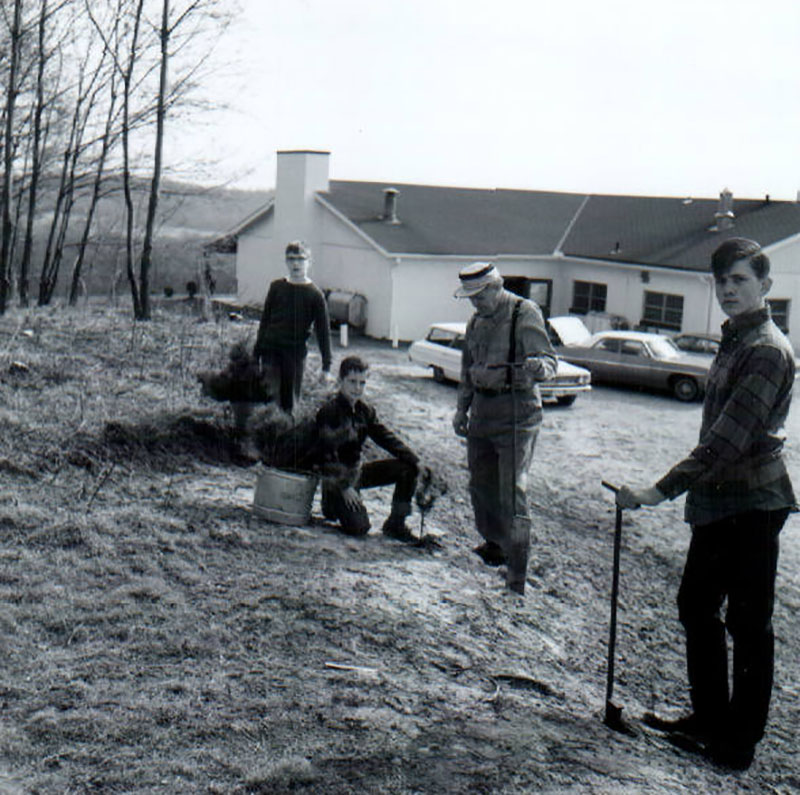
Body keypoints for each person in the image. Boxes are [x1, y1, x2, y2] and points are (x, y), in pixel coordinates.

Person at [616, 238, 796, 770]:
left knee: (748, 622)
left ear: (765, 286)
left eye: (739, 280)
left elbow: (726, 441)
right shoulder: (735, 340)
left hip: (754, 505)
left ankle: (738, 743)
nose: (728, 290)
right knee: (696, 607)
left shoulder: (764, 349)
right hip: (721, 503)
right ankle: (710, 719)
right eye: (721, 282)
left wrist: (658, 490)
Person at [451, 262, 558, 594]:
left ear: (497, 287)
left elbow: (549, 363)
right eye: (471, 298)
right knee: (481, 487)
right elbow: (469, 368)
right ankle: (495, 545)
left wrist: (539, 366)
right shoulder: (476, 321)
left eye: (480, 296)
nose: (475, 303)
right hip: (483, 410)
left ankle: (517, 572)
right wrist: (461, 409)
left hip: (517, 410)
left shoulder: (524, 314)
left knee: (512, 492)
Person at [313, 355, 420, 542]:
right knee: (359, 527)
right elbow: (324, 456)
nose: (357, 388)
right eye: (352, 382)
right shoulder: (329, 411)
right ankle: (332, 506)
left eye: (362, 383)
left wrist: (417, 461)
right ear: (341, 381)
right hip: (336, 481)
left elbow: (387, 439)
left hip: (357, 473)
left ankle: (396, 523)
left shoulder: (365, 411)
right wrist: (345, 487)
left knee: (408, 468)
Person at [253, 240, 332, 414]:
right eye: (291, 259)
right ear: (286, 262)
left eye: (300, 259)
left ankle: (285, 436)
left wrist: (326, 366)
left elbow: (323, 332)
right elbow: (265, 322)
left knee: (290, 405)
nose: (295, 263)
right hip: (271, 352)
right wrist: (256, 355)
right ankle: (266, 438)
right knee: (269, 401)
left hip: (294, 356)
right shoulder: (276, 287)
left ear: (309, 262)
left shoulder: (315, 295)